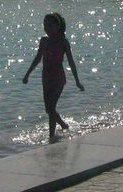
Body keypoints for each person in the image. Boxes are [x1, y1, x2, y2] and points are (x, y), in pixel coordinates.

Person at [22, 13, 84, 143]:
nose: (47, 28)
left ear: (58, 26)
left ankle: (56, 132)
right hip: (46, 78)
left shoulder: (63, 42)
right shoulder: (44, 41)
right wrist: (27, 74)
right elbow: (38, 58)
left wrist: (77, 81)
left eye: (50, 25)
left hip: (58, 79)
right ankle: (54, 135)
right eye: (45, 25)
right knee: (48, 109)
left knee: (51, 108)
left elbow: (71, 62)